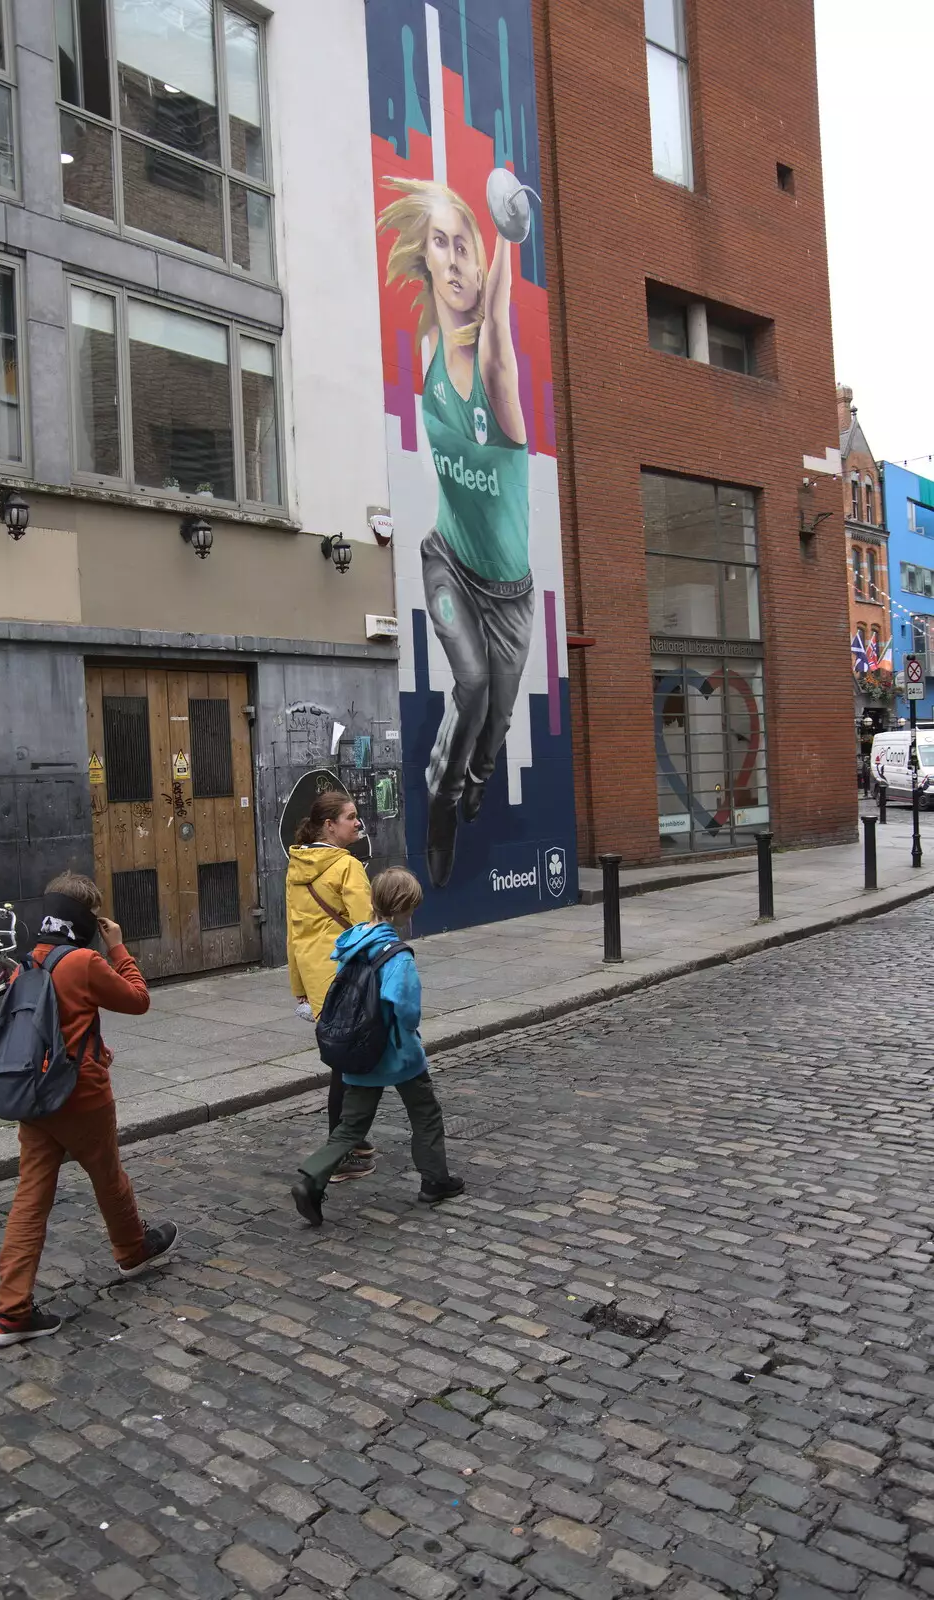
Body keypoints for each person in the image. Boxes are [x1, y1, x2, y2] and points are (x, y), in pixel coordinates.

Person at [379, 176, 534, 888]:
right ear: (429, 262)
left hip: (511, 598)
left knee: (496, 727)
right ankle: (440, 804)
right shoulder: (428, 348)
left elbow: (499, 325)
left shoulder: (499, 380)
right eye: (440, 244)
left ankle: (474, 779)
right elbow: (474, 318)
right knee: (469, 687)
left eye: (464, 244)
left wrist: (511, 232)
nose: (454, 259)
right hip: (446, 565)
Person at [0, 871, 177, 1346]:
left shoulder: (26, 963)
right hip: (81, 1096)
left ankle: (10, 1311)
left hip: (35, 1096)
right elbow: (138, 1000)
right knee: (108, 1175)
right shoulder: (83, 961)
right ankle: (132, 1249)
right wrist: (119, 948)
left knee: (31, 1197)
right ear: (89, 917)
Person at [290, 866, 464, 1226]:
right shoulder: (397, 955)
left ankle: (312, 1180)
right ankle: (435, 1180)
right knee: (425, 1114)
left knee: (351, 1126)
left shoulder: (354, 942)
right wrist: (410, 1038)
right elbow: (403, 1008)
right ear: (404, 909)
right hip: (397, 1053)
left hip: (359, 1052)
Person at [286, 791, 376, 1183]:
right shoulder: (347, 867)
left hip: (318, 979)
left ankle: (352, 1141)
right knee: (348, 1066)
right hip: (347, 977)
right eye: (351, 817)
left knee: (346, 1060)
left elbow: (295, 934)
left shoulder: (297, 866)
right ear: (329, 825)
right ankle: (340, 1151)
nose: (358, 823)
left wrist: (299, 987)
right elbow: (365, 930)